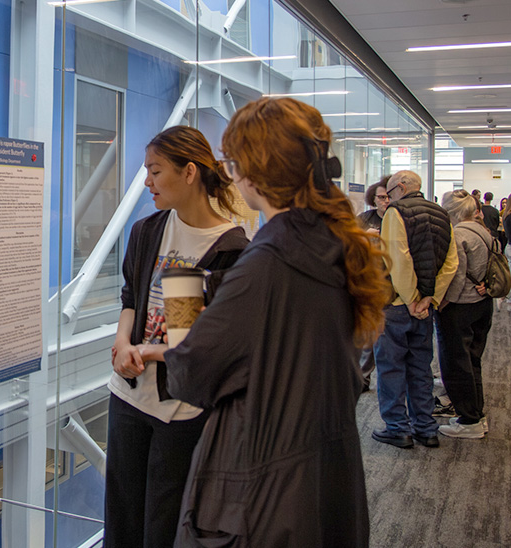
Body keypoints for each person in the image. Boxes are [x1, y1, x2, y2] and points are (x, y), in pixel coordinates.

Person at [151, 97, 390, 546]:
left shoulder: (266, 263)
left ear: (253, 172)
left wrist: (179, 334)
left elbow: (193, 375)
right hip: (325, 472)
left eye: (234, 160)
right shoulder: (335, 242)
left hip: (264, 489)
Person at [106, 125, 249, 548]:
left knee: (164, 523)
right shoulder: (147, 230)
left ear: (190, 173)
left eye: (155, 170)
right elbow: (131, 297)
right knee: (122, 517)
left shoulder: (232, 249)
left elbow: (208, 347)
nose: (147, 181)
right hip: (128, 393)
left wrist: (149, 351)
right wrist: (121, 343)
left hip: (182, 408)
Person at [372, 170, 458, 449]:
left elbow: (399, 258)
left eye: (389, 192)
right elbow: (451, 262)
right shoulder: (442, 213)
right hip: (424, 309)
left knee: (391, 368)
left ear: (400, 188)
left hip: (398, 306)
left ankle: (398, 428)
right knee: (420, 369)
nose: (387, 199)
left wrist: (411, 299)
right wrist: (429, 300)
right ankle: (426, 427)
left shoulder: (396, 213)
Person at [435, 190, 492, 439]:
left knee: (456, 363)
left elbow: (456, 274)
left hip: (461, 306)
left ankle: (468, 420)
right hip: (482, 303)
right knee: (473, 361)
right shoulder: (485, 231)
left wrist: (442, 301)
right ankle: (476, 415)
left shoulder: (458, 234)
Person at [355, 175, 391, 391]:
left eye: (388, 197)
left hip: (392, 283)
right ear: (373, 198)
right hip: (370, 280)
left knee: (390, 338)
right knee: (368, 337)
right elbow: (349, 246)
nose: (384, 201)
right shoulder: (364, 219)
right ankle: (363, 378)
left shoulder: (398, 218)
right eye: (381, 197)